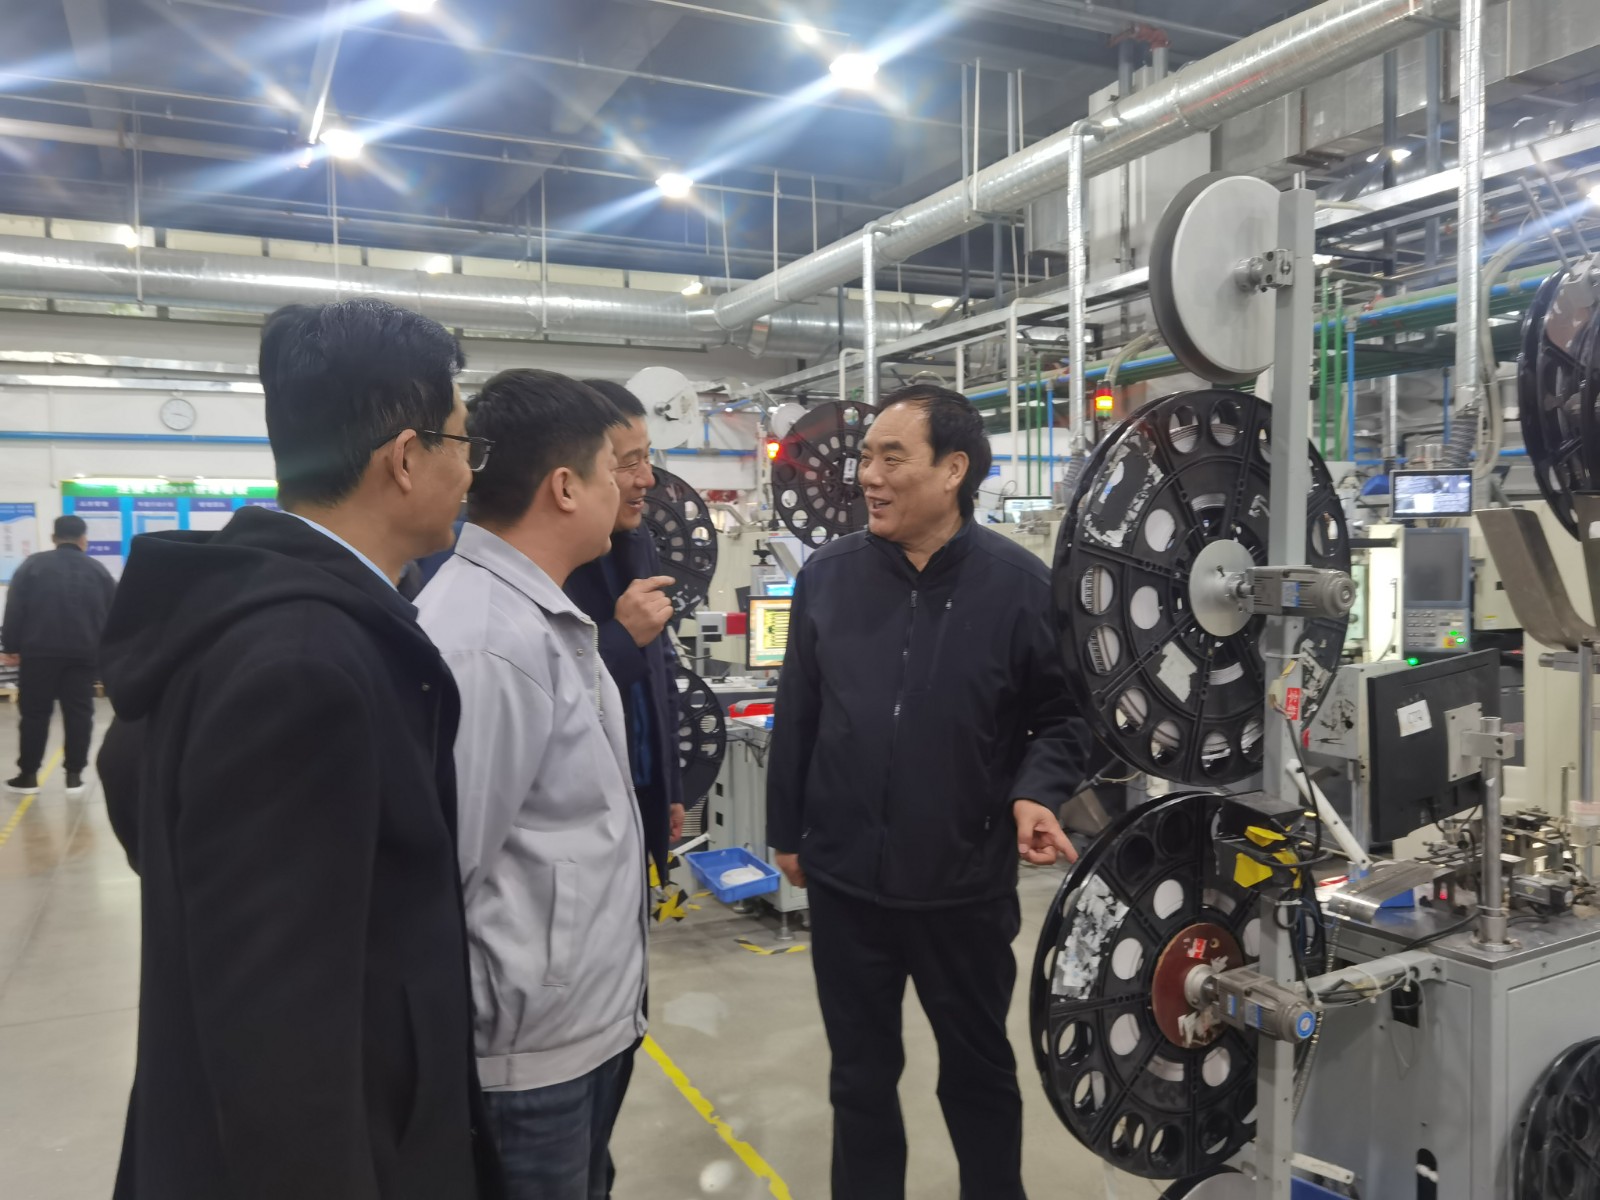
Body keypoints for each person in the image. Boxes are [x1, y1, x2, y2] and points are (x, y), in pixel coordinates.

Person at [97, 297, 501, 1200]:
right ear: (406, 457)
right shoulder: (305, 666)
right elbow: (280, 1048)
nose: (470, 471)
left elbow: (131, 781)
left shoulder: (236, 612)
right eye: (463, 443)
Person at [766, 384, 1090, 1200]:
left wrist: (1037, 791)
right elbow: (799, 711)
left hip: (962, 887)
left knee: (979, 1076)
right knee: (859, 1078)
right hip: (847, 884)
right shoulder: (829, 577)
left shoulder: (1019, 586)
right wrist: (788, 832)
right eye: (865, 458)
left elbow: (1064, 717)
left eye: (890, 458)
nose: (867, 476)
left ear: (953, 470)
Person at [417, 369, 648, 1200]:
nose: (626, 488)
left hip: (579, 1028)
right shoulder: (488, 643)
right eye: (611, 469)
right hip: (526, 1058)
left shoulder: (536, 617)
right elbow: (448, 869)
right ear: (564, 487)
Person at [564, 378, 685, 875]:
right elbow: (556, 697)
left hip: (643, 791)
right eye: (628, 462)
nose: (647, 478)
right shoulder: (555, 564)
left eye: (647, 457)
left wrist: (669, 784)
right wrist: (619, 638)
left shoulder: (638, 544)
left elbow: (661, 669)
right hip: (582, 817)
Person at [2, 514, 115, 796]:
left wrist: (10, 646)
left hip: (39, 653)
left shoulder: (32, 566)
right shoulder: (99, 571)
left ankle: (28, 776)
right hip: (84, 654)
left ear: (54, 538)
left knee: (34, 713)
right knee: (79, 713)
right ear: (84, 540)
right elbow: (113, 615)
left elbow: (15, 607)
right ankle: (74, 776)